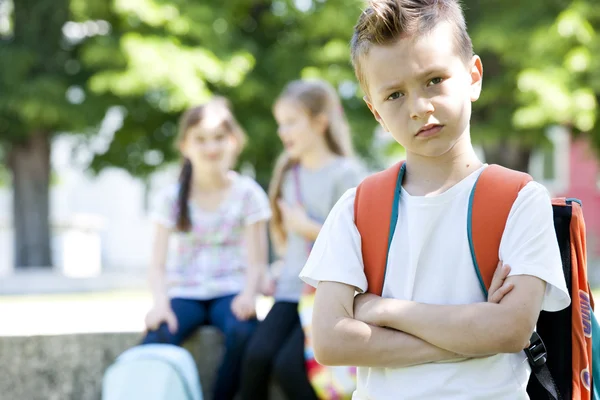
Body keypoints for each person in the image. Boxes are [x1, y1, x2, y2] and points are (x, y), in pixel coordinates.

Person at [299, 1, 571, 399]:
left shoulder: (519, 199)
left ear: (473, 76)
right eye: (394, 95)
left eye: (434, 80)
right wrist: (470, 337)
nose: (419, 108)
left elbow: (510, 330)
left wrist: (382, 311)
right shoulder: (357, 208)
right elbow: (330, 342)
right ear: (375, 111)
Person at [240, 79, 364, 400]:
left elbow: (356, 242)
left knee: (289, 367)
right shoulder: (288, 174)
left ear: (320, 123)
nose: (283, 132)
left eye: (291, 122)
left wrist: (308, 227)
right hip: (288, 290)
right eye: (280, 124)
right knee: (256, 356)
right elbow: (287, 242)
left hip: (324, 294)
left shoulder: (345, 174)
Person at [142, 97, 271, 400]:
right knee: (157, 337)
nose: (211, 147)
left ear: (234, 142)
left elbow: (257, 262)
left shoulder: (248, 194)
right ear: (185, 146)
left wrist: (249, 295)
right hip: (185, 292)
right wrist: (159, 303)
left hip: (230, 290)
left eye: (218, 138)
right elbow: (157, 265)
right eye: (200, 140)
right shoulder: (171, 198)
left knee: (244, 332)